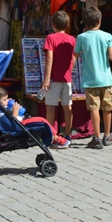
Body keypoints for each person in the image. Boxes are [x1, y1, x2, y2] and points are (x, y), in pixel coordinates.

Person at [74, 6, 112, 149]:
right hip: (105, 80)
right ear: (99, 20)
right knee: (107, 108)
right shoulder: (107, 36)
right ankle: (107, 136)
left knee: (94, 108)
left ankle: (96, 138)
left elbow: (75, 56)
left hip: (90, 80)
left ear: (84, 22)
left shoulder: (81, 38)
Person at [0, 87, 69, 148]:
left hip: (22, 121)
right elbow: (11, 121)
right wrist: (15, 111)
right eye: (4, 100)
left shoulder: (2, 107)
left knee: (41, 120)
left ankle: (54, 137)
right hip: (19, 125)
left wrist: (11, 106)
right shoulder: (0, 111)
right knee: (42, 121)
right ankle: (56, 139)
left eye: (7, 98)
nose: (7, 101)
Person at [41, 10, 76, 146]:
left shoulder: (51, 38)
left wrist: (46, 79)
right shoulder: (72, 39)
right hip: (67, 78)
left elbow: (50, 57)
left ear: (53, 24)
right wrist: (69, 71)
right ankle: (67, 133)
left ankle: (50, 135)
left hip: (54, 78)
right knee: (68, 107)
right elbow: (73, 58)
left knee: (50, 107)